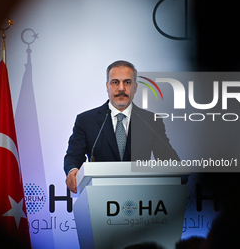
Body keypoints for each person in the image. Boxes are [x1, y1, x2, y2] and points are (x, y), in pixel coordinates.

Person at [64, 60, 180, 193]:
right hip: (100, 197)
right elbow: (74, 155)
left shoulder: (151, 121)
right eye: (115, 82)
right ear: (107, 86)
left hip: (142, 199)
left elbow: (170, 161)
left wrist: (177, 172)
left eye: (127, 82)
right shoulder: (86, 120)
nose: (121, 88)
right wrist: (73, 171)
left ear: (135, 87)